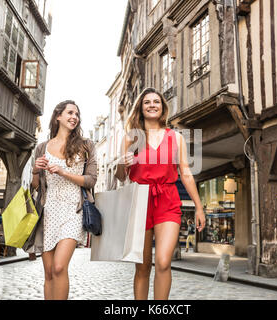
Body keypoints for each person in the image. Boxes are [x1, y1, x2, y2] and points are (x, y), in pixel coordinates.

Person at [115, 87, 206, 300]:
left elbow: (186, 173)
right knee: (143, 266)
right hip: (139, 201)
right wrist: (122, 162)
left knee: (164, 262)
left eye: (156, 101)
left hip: (167, 199)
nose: (152, 105)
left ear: (163, 107)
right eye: (147, 102)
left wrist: (199, 207)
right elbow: (121, 176)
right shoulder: (131, 137)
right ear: (141, 108)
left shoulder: (175, 138)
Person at [31, 100, 97, 300]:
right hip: (48, 211)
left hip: (73, 211)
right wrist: (35, 170)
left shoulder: (86, 146)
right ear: (58, 116)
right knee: (49, 272)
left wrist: (63, 172)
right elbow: (36, 186)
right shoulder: (42, 148)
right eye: (70, 113)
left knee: (60, 267)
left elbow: (91, 180)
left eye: (77, 114)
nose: (74, 117)